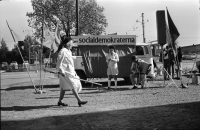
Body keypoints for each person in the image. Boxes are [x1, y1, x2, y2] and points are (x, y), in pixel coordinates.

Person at [56, 36, 87, 107]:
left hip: (71, 72)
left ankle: (60, 101)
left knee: (63, 87)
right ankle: (79, 101)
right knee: (73, 85)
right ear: (68, 44)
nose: (72, 45)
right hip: (65, 73)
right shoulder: (62, 51)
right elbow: (59, 63)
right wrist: (61, 71)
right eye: (71, 43)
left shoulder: (69, 51)